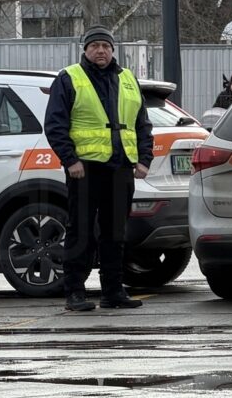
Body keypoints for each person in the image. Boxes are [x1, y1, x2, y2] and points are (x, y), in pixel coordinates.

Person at [45, 25, 154, 312]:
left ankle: (113, 292)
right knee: (80, 231)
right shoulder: (70, 78)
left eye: (106, 46)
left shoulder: (128, 78)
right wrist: (70, 160)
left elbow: (142, 124)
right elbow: (55, 124)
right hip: (85, 169)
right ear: (85, 50)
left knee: (115, 233)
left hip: (120, 167)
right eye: (94, 46)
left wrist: (144, 159)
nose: (101, 51)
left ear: (113, 50)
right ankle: (75, 292)